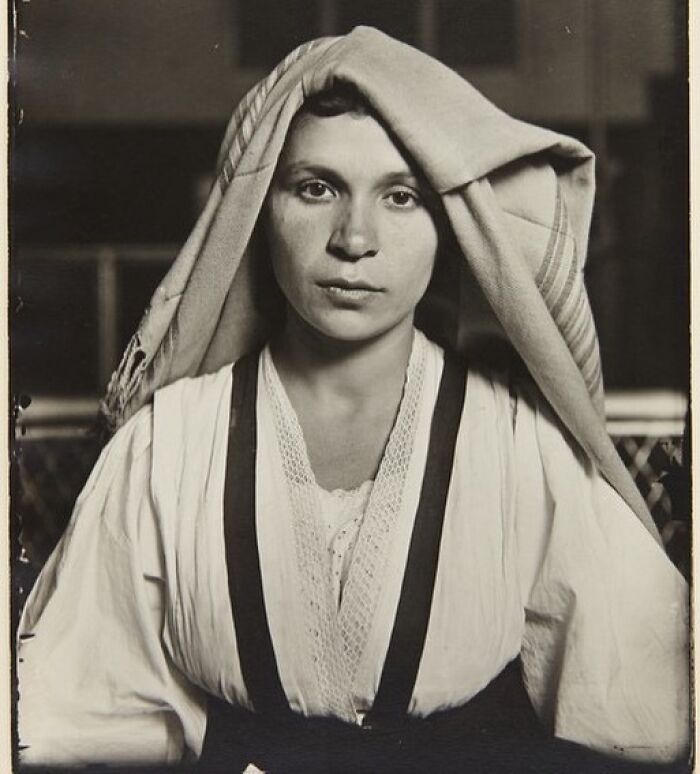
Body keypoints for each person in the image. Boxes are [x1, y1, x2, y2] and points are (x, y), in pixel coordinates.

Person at [17, 27, 688, 773]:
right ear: (256, 210)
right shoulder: (166, 444)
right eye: (317, 187)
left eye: (401, 196)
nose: (355, 239)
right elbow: (73, 724)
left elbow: (652, 714)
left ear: (451, 224)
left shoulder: (520, 443)